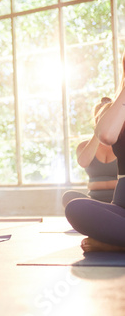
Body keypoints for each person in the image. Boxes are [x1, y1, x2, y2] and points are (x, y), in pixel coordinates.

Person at [66, 52, 125, 253]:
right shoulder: (117, 116)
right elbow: (106, 135)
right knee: (75, 207)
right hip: (120, 207)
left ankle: (115, 243)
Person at [62, 98, 117, 207]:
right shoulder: (84, 146)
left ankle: (102, 218)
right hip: (95, 201)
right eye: (101, 118)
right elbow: (83, 162)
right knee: (69, 198)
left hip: (120, 201)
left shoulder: (121, 144)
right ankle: (104, 216)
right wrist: (99, 132)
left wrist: (94, 184)